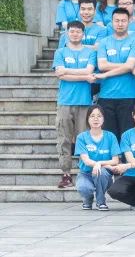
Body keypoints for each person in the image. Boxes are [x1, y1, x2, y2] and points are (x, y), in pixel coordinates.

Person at [54, 21, 98, 189]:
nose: (75, 34)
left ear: (83, 34)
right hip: (65, 101)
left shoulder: (90, 52)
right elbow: (60, 75)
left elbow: (89, 71)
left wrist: (67, 70)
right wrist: (84, 76)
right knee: (64, 138)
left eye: (78, 32)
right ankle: (66, 173)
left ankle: (84, 172)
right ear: (67, 33)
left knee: (84, 139)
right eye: (72, 31)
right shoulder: (60, 52)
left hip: (84, 102)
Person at [74, 106, 121, 210]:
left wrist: (99, 164)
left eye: (99, 116)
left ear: (103, 119)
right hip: (86, 173)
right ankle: (88, 199)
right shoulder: (81, 137)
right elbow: (86, 161)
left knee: (101, 172)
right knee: (84, 188)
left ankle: (101, 201)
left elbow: (115, 160)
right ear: (88, 119)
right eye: (92, 116)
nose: (96, 119)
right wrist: (98, 164)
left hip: (104, 174)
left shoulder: (110, 136)